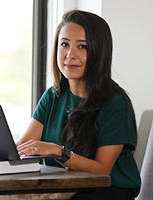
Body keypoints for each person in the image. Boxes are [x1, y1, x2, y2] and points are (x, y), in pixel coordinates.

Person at [16, 10, 141, 200]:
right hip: (63, 188)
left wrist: (59, 153)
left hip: (106, 193)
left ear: (99, 53)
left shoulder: (116, 103)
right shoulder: (52, 96)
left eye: (82, 47)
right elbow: (25, 145)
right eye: (64, 44)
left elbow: (102, 170)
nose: (70, 55)